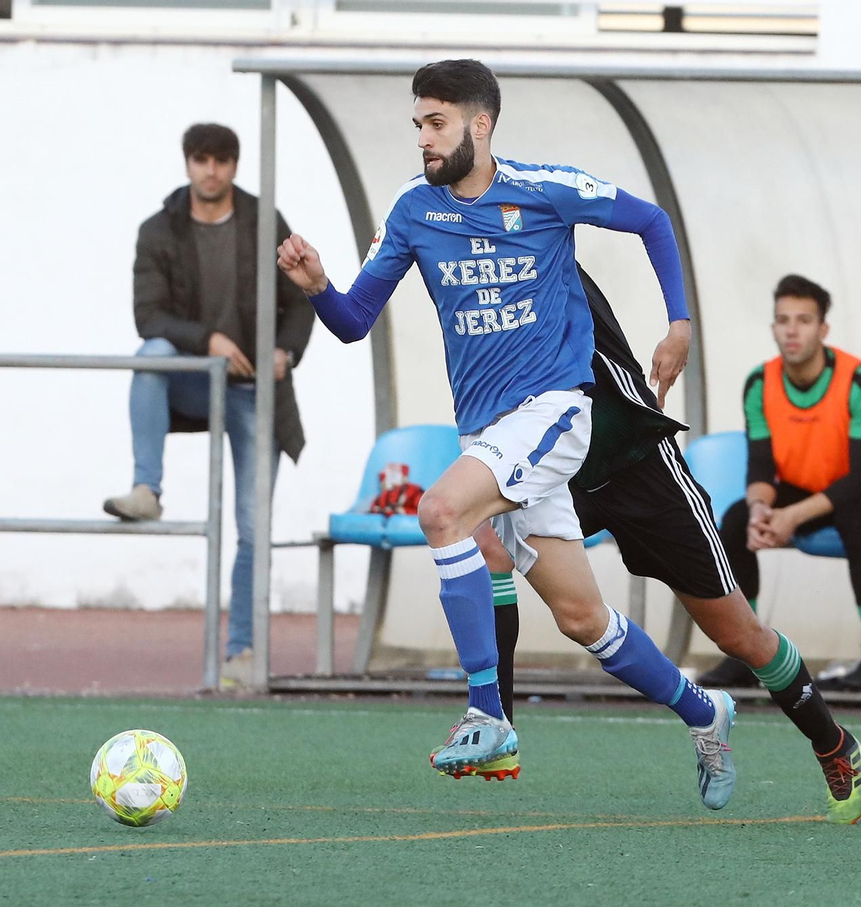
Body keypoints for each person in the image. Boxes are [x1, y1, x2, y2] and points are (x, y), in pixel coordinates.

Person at [276, 59, 741, 805]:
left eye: (437, 123)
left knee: (441, 511)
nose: (424, 139)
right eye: (418, 124)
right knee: (583, 617)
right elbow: (353, 322)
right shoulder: (411, 210)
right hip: (490, 431)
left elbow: (652, 219)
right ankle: (706, 709)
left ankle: (486, 712)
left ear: (480, 124)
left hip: (556, 407)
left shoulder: (544, 188)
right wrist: (319, 287)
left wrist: (679, 322)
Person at [479, 265, 861, 824]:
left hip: (642, 473)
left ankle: (833, 744)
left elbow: (647, 221)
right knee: (486, 542)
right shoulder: (469, 284)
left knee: (740, 636)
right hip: (562, 478)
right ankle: (497, 726)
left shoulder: (547, 256)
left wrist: (678, 325)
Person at [105, 123, 312, 687]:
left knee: (251, 524)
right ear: (188, 163)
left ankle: (241, 656)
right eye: (201, 160)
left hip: (255, 390)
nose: (211, 171)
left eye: (221, 160)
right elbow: (149, 317)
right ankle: (147, 488)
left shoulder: (265, 221)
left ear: (235, 166)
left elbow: (301, 299)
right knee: (150, 353)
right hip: (196, 377)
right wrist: (209, 342)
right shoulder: (159, 229)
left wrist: (285, 351)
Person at [710, 275, 861, 693]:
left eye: (803, 320)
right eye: (783, 320)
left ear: (823, 329)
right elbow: (761, 467)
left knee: (855, 516)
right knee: (734, 521)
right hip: (808, 489)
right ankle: (746, 650)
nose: (791, 329)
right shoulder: (759, 383)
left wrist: (793, 516)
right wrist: (760, 510)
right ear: (772, 328)